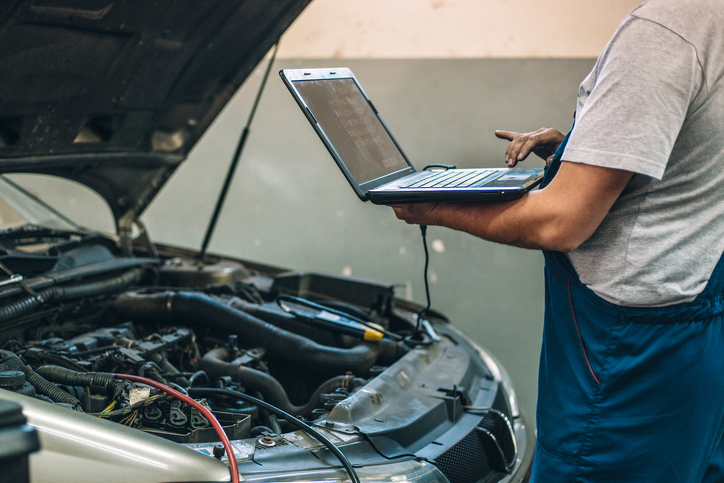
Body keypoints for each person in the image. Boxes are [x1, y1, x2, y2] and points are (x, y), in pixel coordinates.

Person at [392, 0, 724, 481]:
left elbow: (561, 222)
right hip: (696, 333)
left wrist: (434, 206)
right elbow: (690, 159)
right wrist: (581, 146)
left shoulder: (663, 30)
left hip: (626, 363)